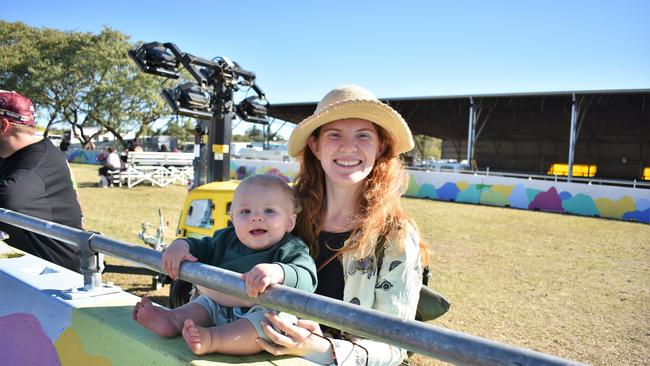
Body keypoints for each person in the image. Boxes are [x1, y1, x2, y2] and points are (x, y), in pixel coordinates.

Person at [254, 85, 425, 365]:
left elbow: (397, 343)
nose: (349, 147)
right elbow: (233, 256)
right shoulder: (285, 213)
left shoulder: (396, 235)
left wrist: (322, 349)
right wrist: (185, 246)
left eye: (363, 135)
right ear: (315, 145)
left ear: (380, 146)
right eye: (335, 134)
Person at [132, 174, 317, 356]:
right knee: (204, 303)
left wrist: (278, 271)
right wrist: (180, 245)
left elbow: (307, 278)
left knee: (268, 322)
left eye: (269, 211)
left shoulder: (291, 247)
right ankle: (172, 319)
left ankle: (212, 339)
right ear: (233, 219)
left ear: (290, 222)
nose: (256, 217)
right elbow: (199, 246)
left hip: (259, 314)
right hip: (219, 304)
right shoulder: (225, 239)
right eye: (245, 212)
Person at [0, 90, 83, 273]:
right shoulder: (8, 154)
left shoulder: (40, 160)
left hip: (58, 278)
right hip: (25, 271)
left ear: (2, 125)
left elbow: (9, 198)